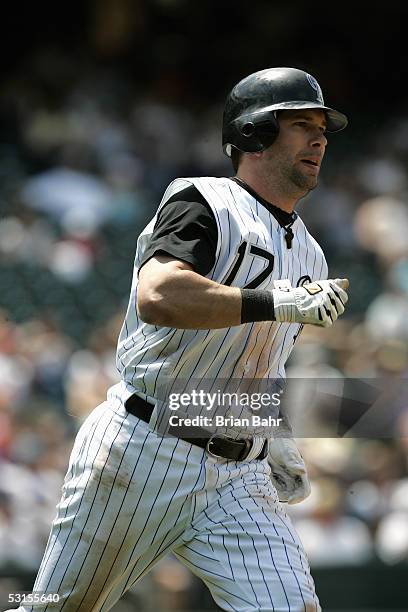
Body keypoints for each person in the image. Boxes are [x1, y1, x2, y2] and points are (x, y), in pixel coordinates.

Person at [8, 67, 349, 612]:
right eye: (301, 123)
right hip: (144, 447)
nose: (319, 138)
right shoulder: (204, 201)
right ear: (255, 132)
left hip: (238, 475)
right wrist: (273, 301)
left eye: (324, 128)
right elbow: (159, 293)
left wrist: (272, 426)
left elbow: (261, 360)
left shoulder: (311, 252)